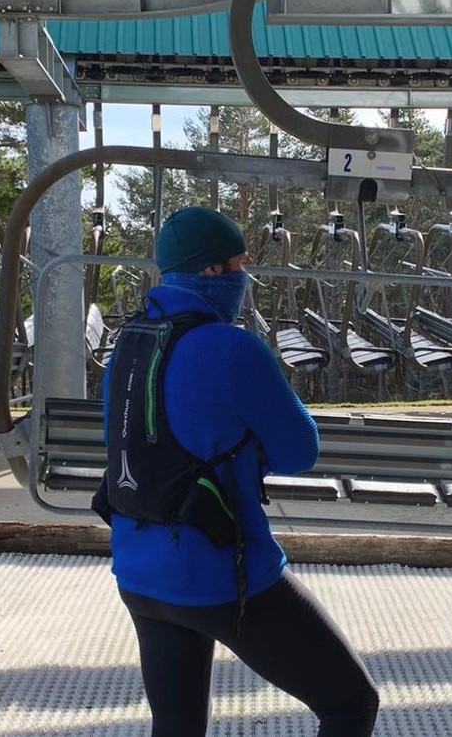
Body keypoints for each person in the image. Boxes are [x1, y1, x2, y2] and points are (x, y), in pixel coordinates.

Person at [92, 207, 379, 736]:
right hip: (220, 575)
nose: (245, 278)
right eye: (241, 264)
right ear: (212, 273)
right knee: (350, 704)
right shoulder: (230, 348)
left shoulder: (127, 345)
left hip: (138, 572)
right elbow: (299, 451)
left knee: (177, 728)